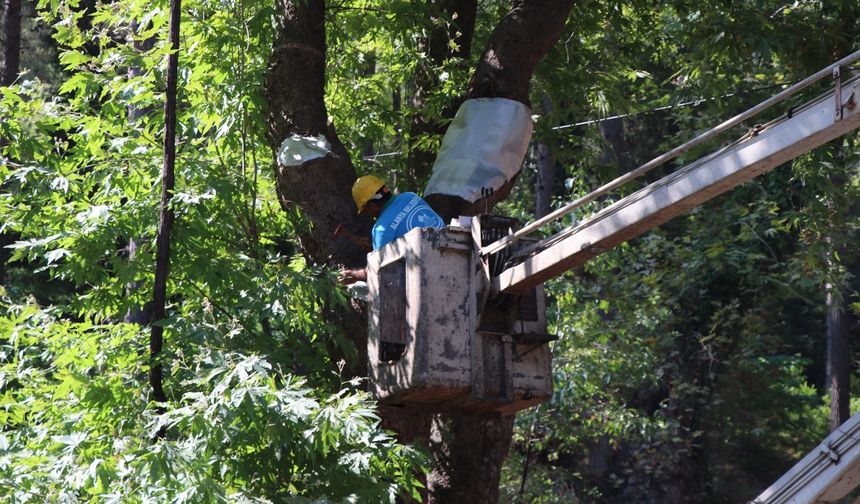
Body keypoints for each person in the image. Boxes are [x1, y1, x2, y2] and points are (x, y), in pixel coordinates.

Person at [339, 175, 444, 285]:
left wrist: (356, 275)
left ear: (372, 206)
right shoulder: (410, 196)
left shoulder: (380, 230)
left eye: (366, 210)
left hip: (429, 278)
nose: (368, 214)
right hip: (450, 253)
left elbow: (380, 272)